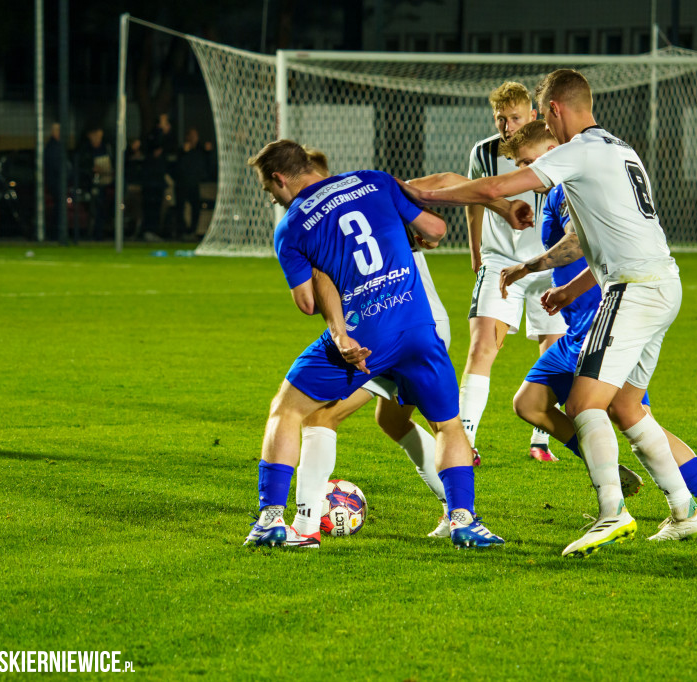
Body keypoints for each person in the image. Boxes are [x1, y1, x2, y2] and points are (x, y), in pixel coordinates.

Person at [406, 69, 697, 556]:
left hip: (633, 289)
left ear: (551, 112)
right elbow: (597, 233)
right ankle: (687, 512)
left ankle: (612, 513)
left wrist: (420, 196)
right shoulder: (620, 148)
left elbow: (493, 190)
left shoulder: (577, 150)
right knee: (628, 408)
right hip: (661, 283)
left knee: (582, 404)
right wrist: (561, 282)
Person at [243, 139, 504, 550]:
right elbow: (436, 228)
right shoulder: (373, 181)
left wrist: (324, 276)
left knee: (293, 411)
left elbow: (307, 302)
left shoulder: (291, 226)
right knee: (438, 424)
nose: (274, 199)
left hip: (367, 334)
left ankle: (280, 521)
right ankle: (464, 521)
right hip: (420, 324)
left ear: (279, 179)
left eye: (270, 191)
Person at [499, 121, 697, 534]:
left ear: (550, 142)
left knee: (629, 412)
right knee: (530, 403)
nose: (527, 170)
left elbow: (580, 243)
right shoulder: (562, 182)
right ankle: (610, 467)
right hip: (578, 323)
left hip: (611, 318)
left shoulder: (569, 182)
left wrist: (530, 267)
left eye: (528, 160)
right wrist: (566, 292)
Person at [286, 148, 454, 548]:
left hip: (396, 329)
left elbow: (311, 300)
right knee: (394, 421)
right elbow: (443, 182)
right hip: (420, 322)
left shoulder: (330, 217)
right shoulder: (373, 194)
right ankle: (457, 509)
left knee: (320, 418)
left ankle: (306, 524)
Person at [460, 81, 567, 466]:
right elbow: (474, 200)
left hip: (549, 265)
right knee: (483, 347)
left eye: (515, 118)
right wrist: (475, 250)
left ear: (534, 116)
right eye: (501, 119)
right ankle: (465, 440)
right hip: (500, 262)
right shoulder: (484, 152)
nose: (507, 126)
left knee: (552, 349)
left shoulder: (556, 151)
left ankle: (541, 440)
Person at [140, 113, 176, 239]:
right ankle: (148, 231)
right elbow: (154, 148)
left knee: (159, 205)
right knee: (150, 204)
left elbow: (170, 149)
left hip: (159, 177)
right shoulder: (153, 136)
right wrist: (161, 131)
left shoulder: (168, 139)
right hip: (151, 178)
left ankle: (154, 231)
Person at [173, 127, 214, 239]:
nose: (194, 138)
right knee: (180, 208)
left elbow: (208, 164)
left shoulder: (201, 150)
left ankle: (192, 231)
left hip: (194, 184)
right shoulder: (182, 151)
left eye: (195, 136)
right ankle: (181, 231)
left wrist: (209, 152)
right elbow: (177, 166)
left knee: (195, 208)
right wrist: (184, 152)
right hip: (182, 183)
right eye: (191, 136)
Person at [75, 126, 113, 240]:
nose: (97, 138)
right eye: (95, 135)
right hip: (92, 184)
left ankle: (103, 230)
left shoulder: (107, 148)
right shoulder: (85, 150)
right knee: (95, 208)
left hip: (107, 182)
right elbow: (81, 166)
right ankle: (94, 233)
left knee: (103, 206)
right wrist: (91, 169)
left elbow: (114, 163)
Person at [44, 123, 66, 237]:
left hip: (55, 182)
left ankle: (56, 232)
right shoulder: (53, 147)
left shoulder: (56, 146)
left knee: (59, 207)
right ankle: (55, 232)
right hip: (55, 183)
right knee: (58, 207)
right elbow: (56, 166)